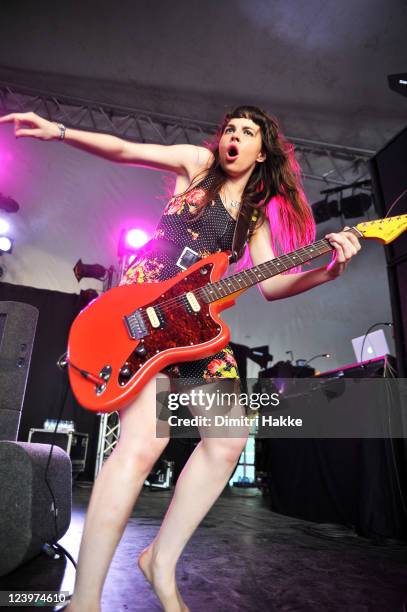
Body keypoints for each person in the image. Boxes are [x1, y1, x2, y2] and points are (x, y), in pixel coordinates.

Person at [0, 106, 361, 612]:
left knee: (229, 438)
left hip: (197, 332)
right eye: (230, 129)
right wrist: (60, 131)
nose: (234, 136)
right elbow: (124, 149)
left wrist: (328, 272)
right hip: (145, 312)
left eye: (247, 132)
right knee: (143, 444)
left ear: (263, 151)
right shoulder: (196, 165)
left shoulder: (255, 217)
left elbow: (272, 285)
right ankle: (86, 601)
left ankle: (161, 561)